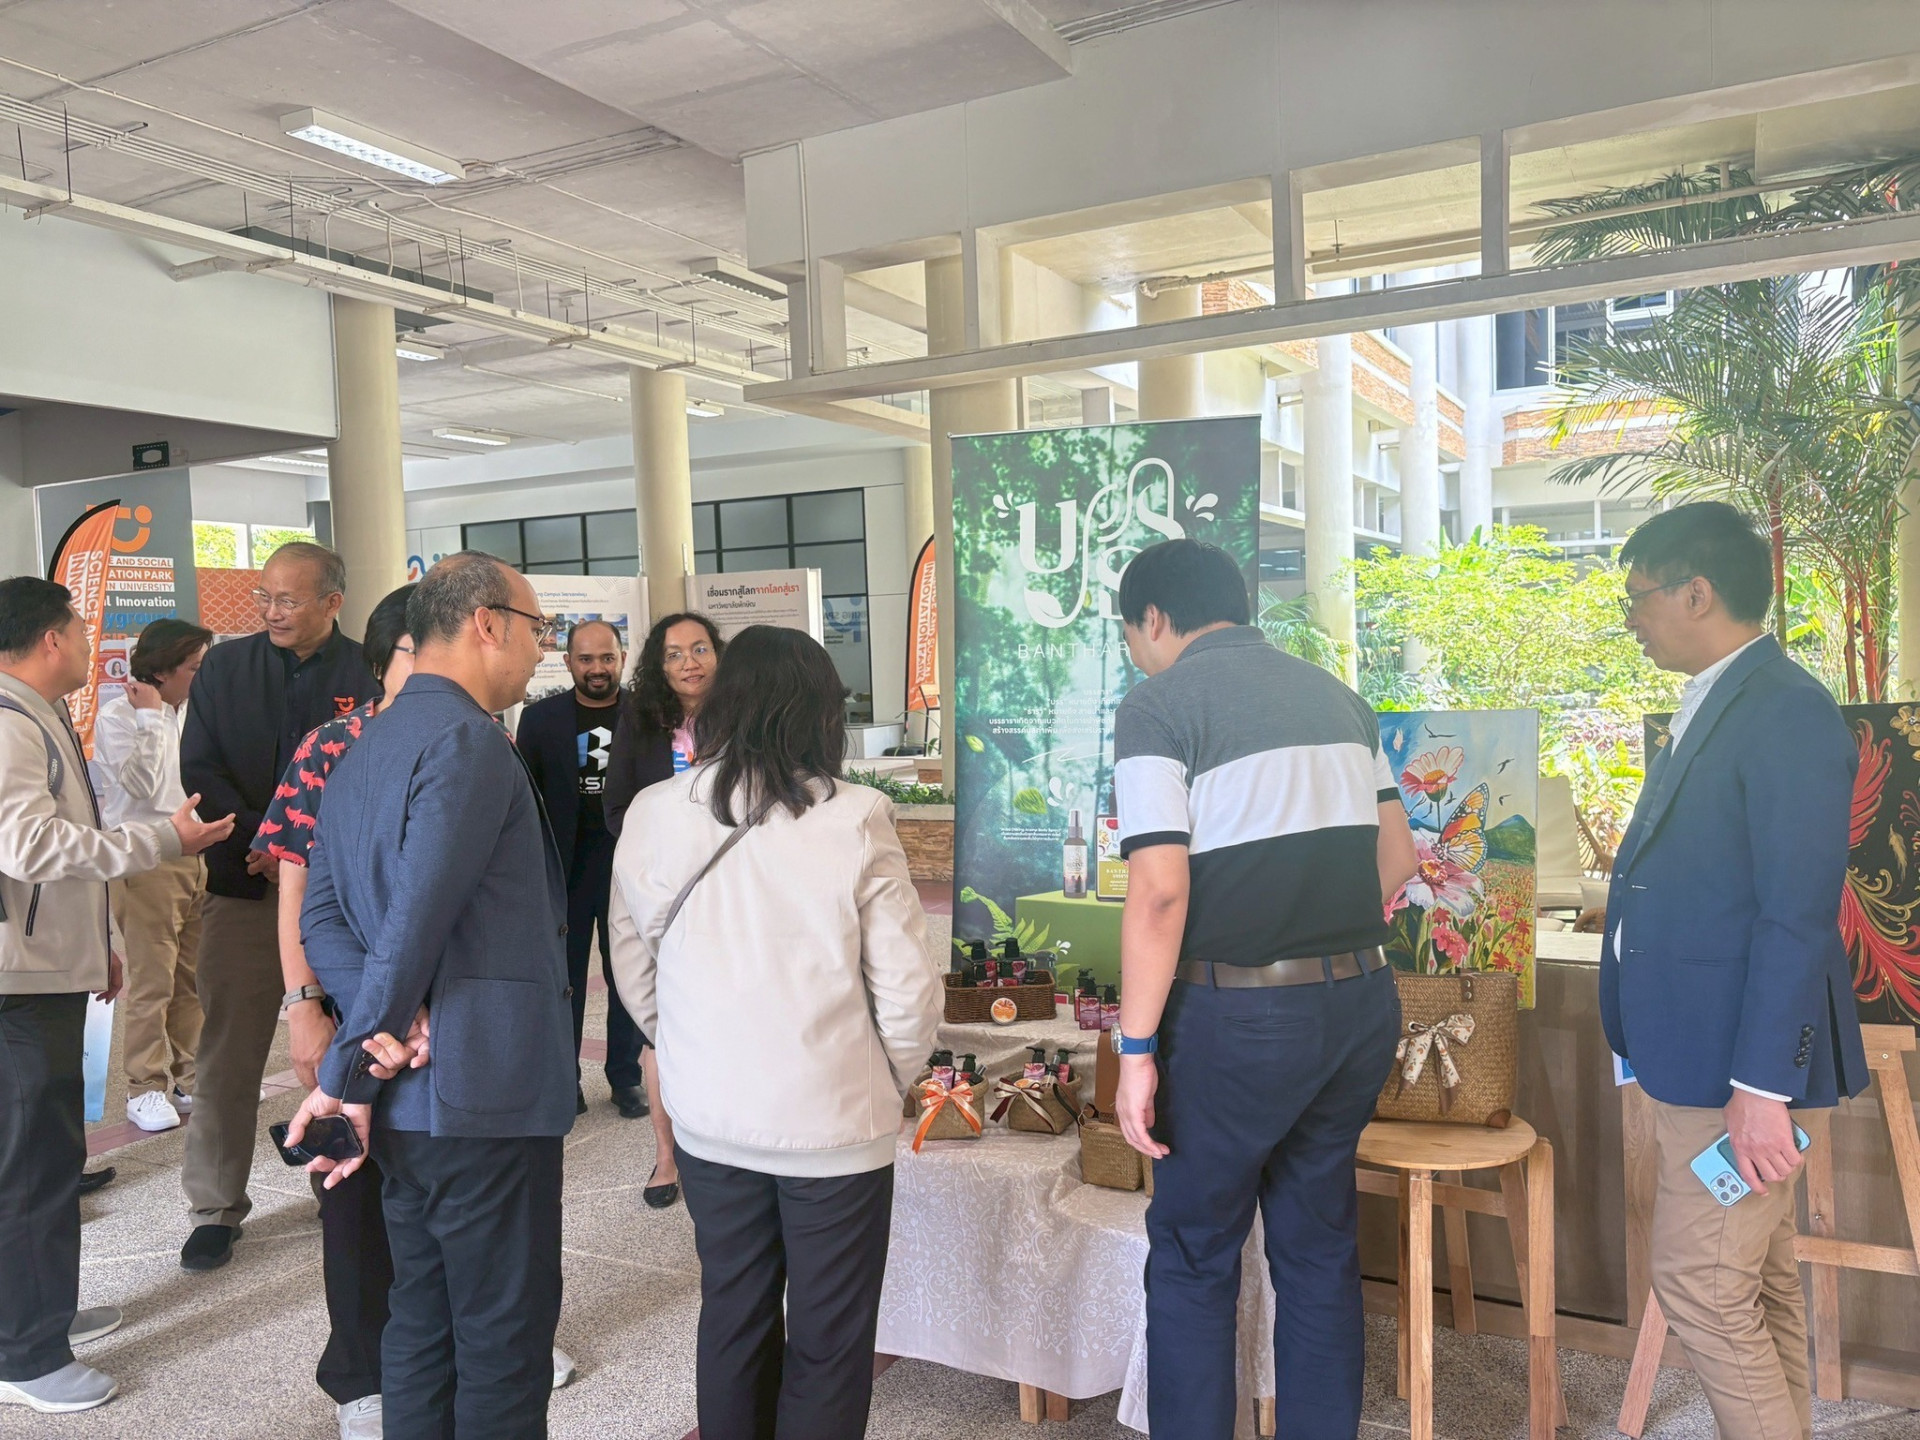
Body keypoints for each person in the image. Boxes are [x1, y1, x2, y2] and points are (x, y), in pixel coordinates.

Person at [1107, 539, 1416, 1440]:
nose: (1135, 652)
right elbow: (1398, 857)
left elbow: (1159, 892)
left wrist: (1135, 1050)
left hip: (1237, 1017)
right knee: (1317, 1251)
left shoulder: (1159, 706)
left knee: (1195, 1255)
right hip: (1358, 1005)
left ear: (1154, 618)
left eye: (1130, 634)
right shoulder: (1340, 698)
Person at [608, 624, 942, 1440]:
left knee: (732, 1310)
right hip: (835, 1124)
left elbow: (633, 965)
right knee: (830, 1337)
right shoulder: (855, 815)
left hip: (709, 1117)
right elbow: (906, 990)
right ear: (819, 712)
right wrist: (885, 1079)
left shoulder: (654, 811)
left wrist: (686, 1047)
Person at [284, 553, 576, 1439]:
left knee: (419, 1317)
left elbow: (323, 916)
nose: (542, 649)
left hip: (411, 1103)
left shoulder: (362, 746)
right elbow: (419, 914)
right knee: (501, 1336)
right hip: (482, 1089)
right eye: (537, 629)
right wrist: (360, 1057)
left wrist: (376, 1033)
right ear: (487, 623)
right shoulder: (468, 742)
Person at [1603, 502, 1867, 1440]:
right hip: (1699, 1053)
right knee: (1756, 1282)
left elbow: (1797, 915)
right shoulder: (1720, 700)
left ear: (1697, 593)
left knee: (1701, 1287)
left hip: (1735, 1071)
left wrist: (1762, 1087)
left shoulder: (1784, 710)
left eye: (1637, 598)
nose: (1631, 619)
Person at [0, 578, 233, 1415]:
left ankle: (36, 1317)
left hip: (45, 964)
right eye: (76, 627)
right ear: (49, 639)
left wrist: (92, 944)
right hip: (18, 982)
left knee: (45, 1156)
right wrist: (162, 838)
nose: (85, 640)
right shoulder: (9, 720)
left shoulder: (36, 714)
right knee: (32, 1165)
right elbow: (27, 845)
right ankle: (25, 1355)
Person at [178, 541, 378, 1272]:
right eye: (263, 596)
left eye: (288, 599)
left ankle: (342, 1183)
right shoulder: (226, 667)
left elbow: (369, 779)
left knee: (345, 1047)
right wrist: (264, 844)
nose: (271, 611)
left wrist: (303, 852)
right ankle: (214, 1206)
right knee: (227, 1054)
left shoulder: (365, 672)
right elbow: (200, 767)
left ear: (333, 602)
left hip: (339, 899)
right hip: (244, 887)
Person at [603, 610, 726, 1208]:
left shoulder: (741, 716)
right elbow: (617, 806)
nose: (688, 663)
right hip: (661, 890)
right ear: (659, 665)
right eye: (674, 653)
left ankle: (724, 1145)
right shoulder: (640, 718)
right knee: (660, 1024)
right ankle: (666, 1155)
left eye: (699, 649)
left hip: (729, 888)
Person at [517, 619, 646, 1120]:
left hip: (628, 872)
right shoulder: (539, 720)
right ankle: (563, 1080)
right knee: (563, 981)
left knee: (627, 977)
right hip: (564, 872)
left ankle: (625, 1078)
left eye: (607, 658)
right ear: (568, 661)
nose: (597, 668)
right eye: (586, 659)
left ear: (622, 659)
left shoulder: (646, 716)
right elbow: (525, 803)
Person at [90, 618, 213, 1133]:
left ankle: (190, 1078)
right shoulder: (120, 716)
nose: (202, 676)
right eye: (194, 667)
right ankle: (143, 1087)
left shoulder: (193, 712)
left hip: (197, 854)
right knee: (152, 981)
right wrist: (149, 716)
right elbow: (141, 785)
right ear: (162, 670)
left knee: (193, 979)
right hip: (147, 857)